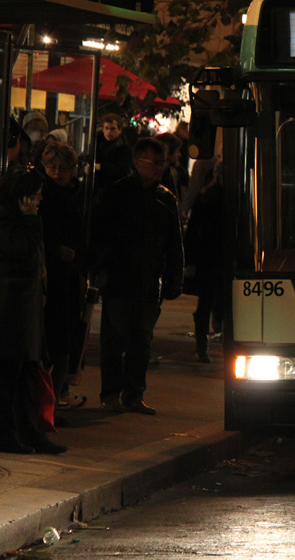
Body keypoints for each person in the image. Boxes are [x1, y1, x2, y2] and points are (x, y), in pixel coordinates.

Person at [0, 167, 67, 454]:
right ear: (20, 196)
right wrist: (32, 221)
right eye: (35, 195)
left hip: (19, 308)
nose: (39, 200)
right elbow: (23, 249)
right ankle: (1, 435)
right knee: (4, 375)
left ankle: (29, 433)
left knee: (23, 375)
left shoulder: (11, 216)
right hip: (4, 308)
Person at [91, 138, 184, 415]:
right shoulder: (115, 194)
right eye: (153, 162)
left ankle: (133, 393)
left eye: (161, 162)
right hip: (119, 279)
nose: (158, 168)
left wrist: (173, 279)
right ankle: (111, 392)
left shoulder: (165, 198)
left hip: (148, 281)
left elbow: (173, 243)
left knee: (142, 340)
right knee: (115, 338)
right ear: (137, 162)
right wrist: (101, 269)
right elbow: (98, 236)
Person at [38, 143, 88, 409]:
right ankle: (44, 405)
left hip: (69, 276)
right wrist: (57, 250)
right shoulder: (42, 194)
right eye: (52, 167)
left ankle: (53, 403)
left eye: (62, 168)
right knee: (52, 342)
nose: (57, 173)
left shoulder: (76, 194)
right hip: (51, 276)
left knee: (65, 343)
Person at [184, 164, 224, 363]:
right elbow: (193, 231)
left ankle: (202, 344)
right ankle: (203, 344)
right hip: (213, 258)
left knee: (208, 303)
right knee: (209, 302)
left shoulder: (207, 197)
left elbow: (192, 231)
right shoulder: (211, 198)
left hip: (210, 257)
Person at [93, 114, 133, 192]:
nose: (109, 132)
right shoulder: (96, 144)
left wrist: (98, 167)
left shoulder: (125, 149)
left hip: (113, 189)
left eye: (113, 129)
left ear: (119, 130)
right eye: (106, 128)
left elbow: (120, 170)